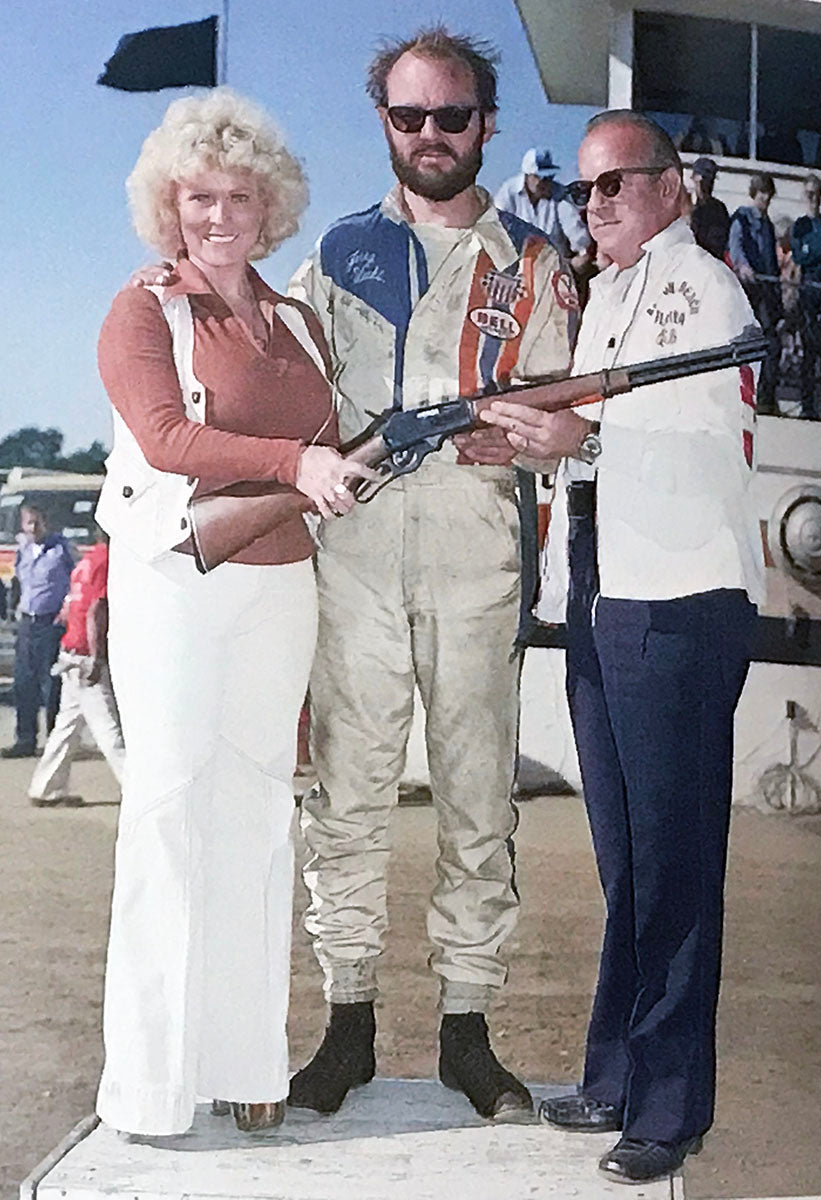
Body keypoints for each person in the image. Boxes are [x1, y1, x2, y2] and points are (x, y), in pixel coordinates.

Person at [286, 27, 577, 1122]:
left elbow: (573, 416)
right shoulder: (341, 252)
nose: (432, 135)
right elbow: (287, 383)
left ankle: (467, 1028)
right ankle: (346, 1021)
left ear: (487, 125)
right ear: (386, 125)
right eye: (410, 117)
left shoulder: (536, 266)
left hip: (477, 560)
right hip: (353, 556)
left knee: (475, 805)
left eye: (452, 116)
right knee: (346, 799)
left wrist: (551, 437)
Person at [480, 111, 765, 1184]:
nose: (595, 206)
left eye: (615, 186)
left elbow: (711, 436)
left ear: (670, 189)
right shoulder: (603, 298)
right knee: (626, 858)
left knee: (677, 862)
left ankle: (672, 1105)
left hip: (681, 592)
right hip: (601, 587)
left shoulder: (706, 291)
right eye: (584, 191)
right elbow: (580, 437)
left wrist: (584, 434)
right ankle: (615, 1073)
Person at [94, 88, 369, 1138]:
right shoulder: (142, 308)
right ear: (171, 206)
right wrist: (298, 460)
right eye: (199, 198)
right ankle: (149, 1086)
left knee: (260, 810)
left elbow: (337, 446)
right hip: (173, 577)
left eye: (239, 198)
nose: (219, 216)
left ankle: (249, 1058)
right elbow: (166, 438)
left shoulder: (295, 319)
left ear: (271, 207)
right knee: (167, 809)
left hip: (280, 584)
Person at [28, 530, 124, 807]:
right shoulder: (108, 561)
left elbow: (71, 604)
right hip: (85, 655)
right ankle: (135, 787)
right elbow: (97, 609)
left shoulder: (87, 560)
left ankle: (46, 787)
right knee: (109, 729)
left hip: (70, 651)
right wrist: (97, 657)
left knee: (67, 726)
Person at [1, 505, 74, 759]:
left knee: (51, 684)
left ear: (46, 523)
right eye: (28, 523)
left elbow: (77, 580)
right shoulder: (23, 552)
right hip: (27, 623)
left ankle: (54, 741)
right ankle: (25, 739)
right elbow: (17, 585)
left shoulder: (61, 549)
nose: (33, 528)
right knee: (23, 683)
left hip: (51, 624)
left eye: (37, 523)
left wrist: (68, 606)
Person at [729, 173, 782, 413]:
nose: (766, 199)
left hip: (765, 292)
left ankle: (766, 397)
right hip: (748, 290)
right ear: (755, 193)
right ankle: (739, 393)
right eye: (763, 194)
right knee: (745, 341)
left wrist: (776, 293)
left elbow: (772, 261)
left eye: (769, 195)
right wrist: (743, 266)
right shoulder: (742, 218)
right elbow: (736, 245)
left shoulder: (768, 225)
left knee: (770, 343)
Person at [495, 147, 592, 270]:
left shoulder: (561, 195)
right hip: (517, 267)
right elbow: (496, 228)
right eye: (541, 177)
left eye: (550, 177)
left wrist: (580, 256)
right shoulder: (508, 193)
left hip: (555, 269)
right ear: (528, 176)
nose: (547, 182)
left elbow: (577, 232)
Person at [792, 174, 821, 420]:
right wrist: (816, 253)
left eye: (817, 194)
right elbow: (800, 257)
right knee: (809, 350)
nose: (813, 198)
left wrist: (815, 252)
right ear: (803, 195)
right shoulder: (799, 226)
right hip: (808, 290)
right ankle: (807, 406)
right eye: (809, 193)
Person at [689, 156, 729, 261]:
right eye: (702, 181)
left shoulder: (719, 210)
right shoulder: (683, 205)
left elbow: (721, 243)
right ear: (693, 178)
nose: (706, 186)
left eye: (710, 182)